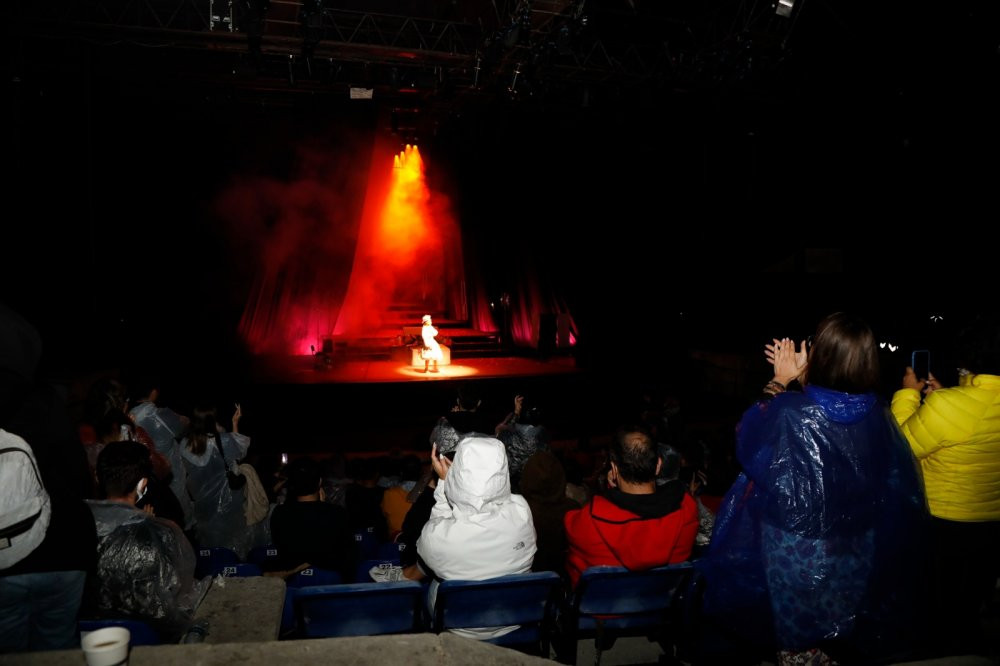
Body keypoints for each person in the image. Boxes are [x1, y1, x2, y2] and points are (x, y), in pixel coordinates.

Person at [697, 313, 929, 666]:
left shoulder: (792, 411)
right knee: (839, 609)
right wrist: (807, 378)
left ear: (820, 355)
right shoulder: (877, 412)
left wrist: (781, 380)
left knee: (799, 624)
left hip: (798, 543)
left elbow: (749, 436)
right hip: (855, 536)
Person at [891, 312, 1000, 655]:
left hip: (943, 525)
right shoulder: (958, 400)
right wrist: (947, 396)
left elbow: (900, 447)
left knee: (937, 607)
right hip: (990, 525)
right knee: (968, 606)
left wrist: (909, 394)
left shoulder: (950, 404)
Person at [563, 425, 698, 587]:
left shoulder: (587, 521)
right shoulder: (687, 509)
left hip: (605, 610)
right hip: (661, 607)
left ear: (614, 469)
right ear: (658, 465)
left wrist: (611, 490)